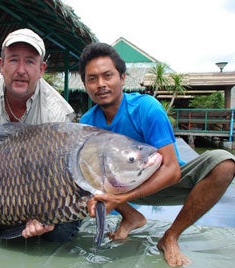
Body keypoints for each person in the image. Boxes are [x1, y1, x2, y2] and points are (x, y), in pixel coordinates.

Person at [77, 42, 235, 266]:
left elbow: (171, 170)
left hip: (163, 182)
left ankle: (171, 236)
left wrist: (121, 198)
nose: (100, 84)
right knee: (76, 174)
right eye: (92, 79)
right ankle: (131, 216)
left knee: (224, 164)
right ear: (85, 84)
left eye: (107, 75)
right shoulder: (87, 123)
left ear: (122, 78)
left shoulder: (146, 108)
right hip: (117, 186)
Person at [0, 28, 80, 242]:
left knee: (60, 232)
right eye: (13, 60)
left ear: (41, 69)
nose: (21, 70)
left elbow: (61, 179)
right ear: (2, 65)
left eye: (30, 62)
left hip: (40, 191)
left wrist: (44, 215)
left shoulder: (58, 111)